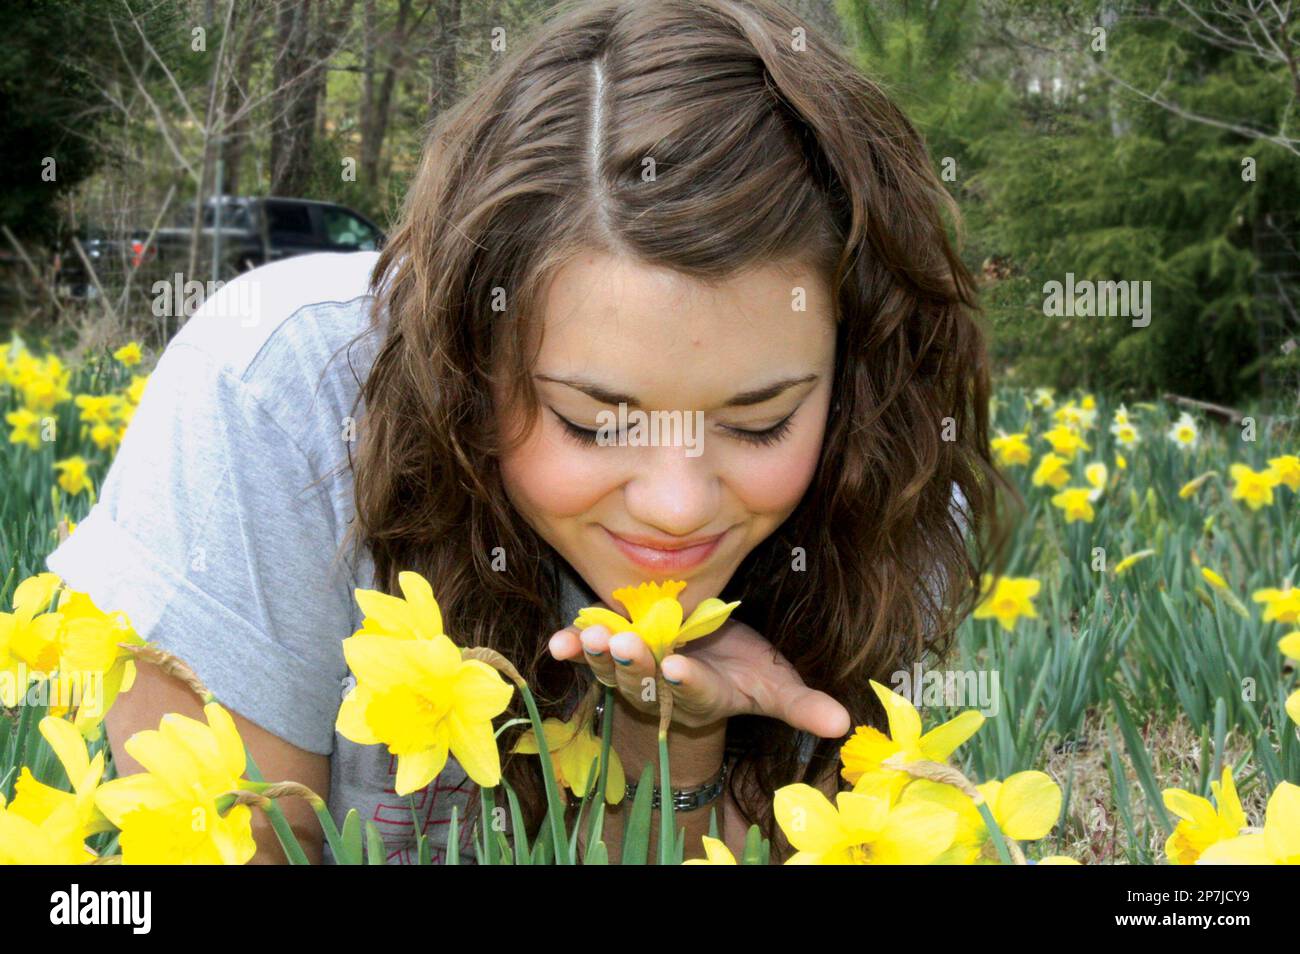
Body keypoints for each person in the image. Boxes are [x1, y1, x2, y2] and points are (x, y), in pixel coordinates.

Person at [45, 0, 1000, 864]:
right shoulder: (282, 393)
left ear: (855, 369)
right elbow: (236, 846)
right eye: (592, 423)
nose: (677, 509)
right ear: (469, 348)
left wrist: (675, 740)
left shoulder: (887, 475)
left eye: (759, 424)